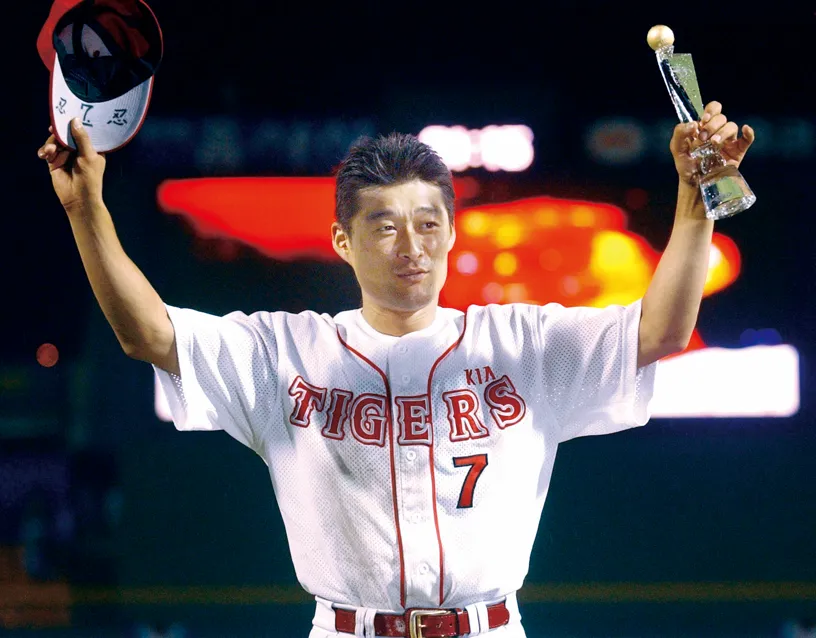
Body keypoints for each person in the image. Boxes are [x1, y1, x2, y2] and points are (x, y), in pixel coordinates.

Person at [38, 104, 754, 638]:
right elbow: (147, 333)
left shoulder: (522, 343)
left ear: (450, 233)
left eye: (427, 223)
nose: (411, 244)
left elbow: (661, 330)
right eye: (384, 225)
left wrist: (696, 206)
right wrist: (85, 211)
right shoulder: (286, 351)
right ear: (342, 241)